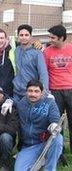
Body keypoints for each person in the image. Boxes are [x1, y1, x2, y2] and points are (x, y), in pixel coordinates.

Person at [15, 79, 63, 171]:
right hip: (28, 146)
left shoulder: (50, 102)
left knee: (58, 138)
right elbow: (10, 99)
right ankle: (39, 162)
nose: (33, 94)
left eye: (36, 91)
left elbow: (55, 117)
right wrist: (7, 101)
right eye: (30, 91)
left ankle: (49, 168)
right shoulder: (21, 104)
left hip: (45, 144)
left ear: (42, 93)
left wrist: (53, 125)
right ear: (26, 92)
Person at [44, 24, 72, 164]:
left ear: (61, 38)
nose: (50, 39)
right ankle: (58, 151)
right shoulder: (47, 51)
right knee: (56, 122)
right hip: (55, 91)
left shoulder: (71, 48)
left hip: (71, 89)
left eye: (53, 37)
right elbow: (44, 72)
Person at [13, 24, 49, 102]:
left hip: (31, 93)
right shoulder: (16, 50)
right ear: (18, 36)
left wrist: (44, 92)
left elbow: (43, 73)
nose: (24, 37)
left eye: (26, 35)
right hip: (16, 92)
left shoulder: (37, 53)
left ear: (31, 36)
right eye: (21, 35)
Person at [0, 29, 15, 97]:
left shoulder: (13, 50)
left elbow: (26, 44)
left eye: (2, 38)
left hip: (11, 91)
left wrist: (36, 43)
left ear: (6, 39)